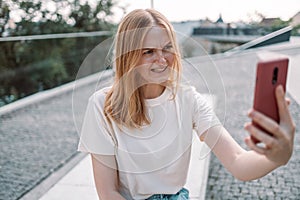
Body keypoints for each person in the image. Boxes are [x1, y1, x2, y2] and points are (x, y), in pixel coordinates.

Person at [78, 9, 295, 200]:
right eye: (148, 52)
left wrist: (277, 157)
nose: (162, 60)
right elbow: (108, 193)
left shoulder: (188, 99)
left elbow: (238, 162)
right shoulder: (101, 105)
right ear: (128, 57)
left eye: (167, 48)